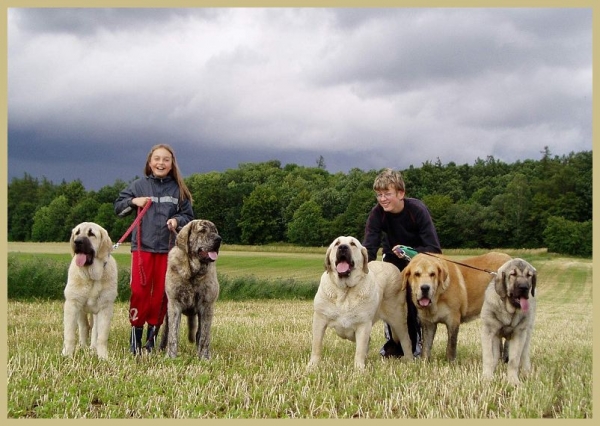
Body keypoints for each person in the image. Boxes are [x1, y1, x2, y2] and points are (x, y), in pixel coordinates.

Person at [114, 144, 194, 355]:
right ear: (150, 163)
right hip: (142, 249)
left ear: (171, 164)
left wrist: (177, 220)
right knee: (139, 292)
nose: (161, 163)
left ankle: (152, 339)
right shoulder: (138, 185)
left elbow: (189, 217)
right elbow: (118, 208)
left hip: (168, 251)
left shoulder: (179, 190)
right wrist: (134, 201)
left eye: (165, 159)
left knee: (161, 295)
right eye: (157, 159)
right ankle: (135, 339)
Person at [362, 168, 442, 358]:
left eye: (387, 194)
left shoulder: (417, 211)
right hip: (391, 261)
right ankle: (394, 344)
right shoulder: (377, 214)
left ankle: (416, 346)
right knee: (389, 300)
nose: (382, 199)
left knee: (413, 301)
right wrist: (362, 268)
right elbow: (370, 246)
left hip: (419, 262)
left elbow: (434, 250)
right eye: (379, 195)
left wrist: (410, 251)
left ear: (400, 193)